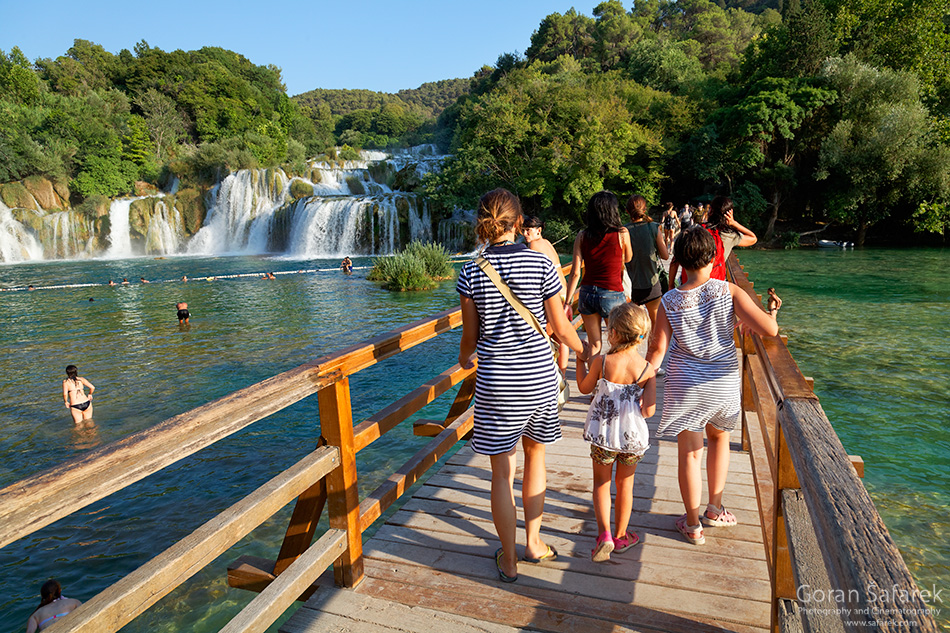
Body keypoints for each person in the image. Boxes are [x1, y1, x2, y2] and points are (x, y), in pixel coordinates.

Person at [457, 188, 588, 583]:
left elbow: (470, 336)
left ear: (482, 222)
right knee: (536, 458)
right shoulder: (542, 264)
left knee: (501, 474)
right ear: (518, 222)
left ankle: (509, 561)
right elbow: (561, 327)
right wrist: (585, 351)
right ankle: (533, 542)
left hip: (498, 382)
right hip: (539, 379)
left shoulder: (470, 271)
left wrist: (465, 359)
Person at [646, 226, 778, 545]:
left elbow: (657, 351)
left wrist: (644, 381)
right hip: (721, 384)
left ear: (679, 259)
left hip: (685, 386)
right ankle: (715, 509)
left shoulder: (669, 300)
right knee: (719, 441)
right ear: (715, 256)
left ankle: (693, 525)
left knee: (690, 455)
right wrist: (772, 309)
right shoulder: (729, 292)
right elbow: (770, 330)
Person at [575, 302, 655, 562]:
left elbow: (585, 388)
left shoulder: (603, 361)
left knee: (601, 483)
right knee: (625, 485)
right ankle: (621, 537)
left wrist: (579, 360)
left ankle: (604, 535)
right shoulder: (646, 369)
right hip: (632, 437)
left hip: (603, 435)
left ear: (615, 333)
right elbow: (649, 411)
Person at [564, 191, 633, 358]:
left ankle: (592, 382)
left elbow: (574, 273)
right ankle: (610, 380)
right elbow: (629, 258)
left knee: (595, 344)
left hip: (587, 293)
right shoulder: (621, 233)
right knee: (618, 343)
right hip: (612, 293)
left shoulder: (582, 235)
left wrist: (567, 302)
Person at [669, 196, 757, 287]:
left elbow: (674, 262)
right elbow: (753, 238)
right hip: (713, 288)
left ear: (710, 211)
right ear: (730, 214)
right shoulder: (730, 235)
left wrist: (670, 286)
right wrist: (733, 223)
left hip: (688, 285)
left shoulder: (694, 230)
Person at [522, 215, 571, 373]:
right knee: (561, 338)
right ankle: (562, 377)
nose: (525, 234)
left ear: (539, 230)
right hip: (563, 291)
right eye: (523, 230)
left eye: (528, 230)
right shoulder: (547, 243)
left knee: (546, 337)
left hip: (554, 295)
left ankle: (552, 377)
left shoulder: (534, 245)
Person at [623, 195, 670, 327]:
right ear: (645, 210)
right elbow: (666, 256)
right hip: (652, 283)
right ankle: (651, 348)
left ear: (627, 211)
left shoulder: (623, 231)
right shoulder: (654, 227)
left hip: (631, 286)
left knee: (633, 328)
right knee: (655, 326)